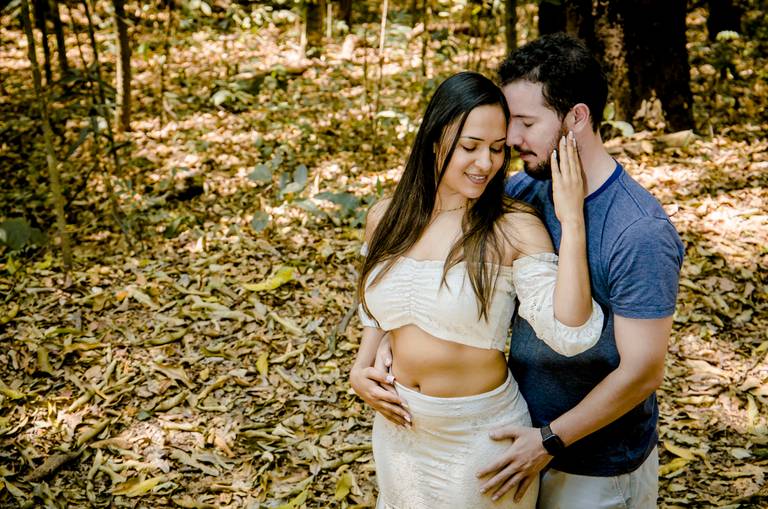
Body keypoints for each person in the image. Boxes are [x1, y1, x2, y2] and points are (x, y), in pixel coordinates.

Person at [349, 70, 605, 509]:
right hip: (400, 433)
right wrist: (360, 368)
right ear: (434, 140)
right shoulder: (385, 217)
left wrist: (572, 221)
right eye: (469, 147)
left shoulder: (512, 229)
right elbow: (379, 308)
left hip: (480, 442)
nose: (485, 163)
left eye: (496, 149)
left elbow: (571, 329)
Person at [475, 33, 685, 508]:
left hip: (598, 465)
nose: (512, 139)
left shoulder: (638, 231)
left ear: (577, 117)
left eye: (527, 122)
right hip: (519, 441)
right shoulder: (527, 190)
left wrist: (549, 440)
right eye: (511, 122)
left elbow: (642, 372)